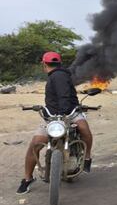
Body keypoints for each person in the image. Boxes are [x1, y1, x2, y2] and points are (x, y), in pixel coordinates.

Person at [18, 52, 94, 194]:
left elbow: (64, 97)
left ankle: (87, 157)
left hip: (71, 113)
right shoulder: (61, 75)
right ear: (59, 63)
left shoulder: (60, 75)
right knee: (36, 142)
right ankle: (27, 179)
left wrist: (66, 112)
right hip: (53, 118)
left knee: (83, 128)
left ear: (44, 64)